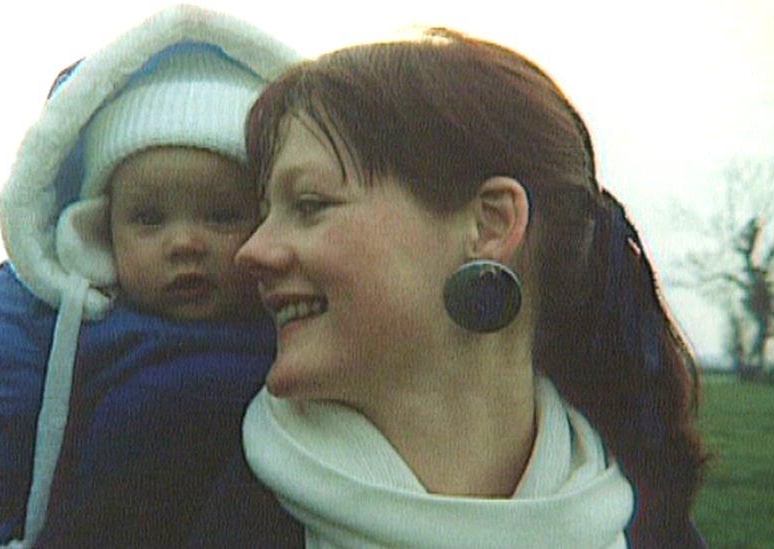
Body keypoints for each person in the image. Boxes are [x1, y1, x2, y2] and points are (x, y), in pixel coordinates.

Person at [195, 28, 708, 548]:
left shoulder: (654, 529)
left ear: (489, 225)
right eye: (264, 215)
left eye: (309, 205)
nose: (252, 252)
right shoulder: (173, 481)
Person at [0, 6, 300, 547]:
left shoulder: (302, 325)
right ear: (98, 230)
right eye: (149, 218)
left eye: (221, 215)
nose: (186, 242)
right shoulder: (51, 323)